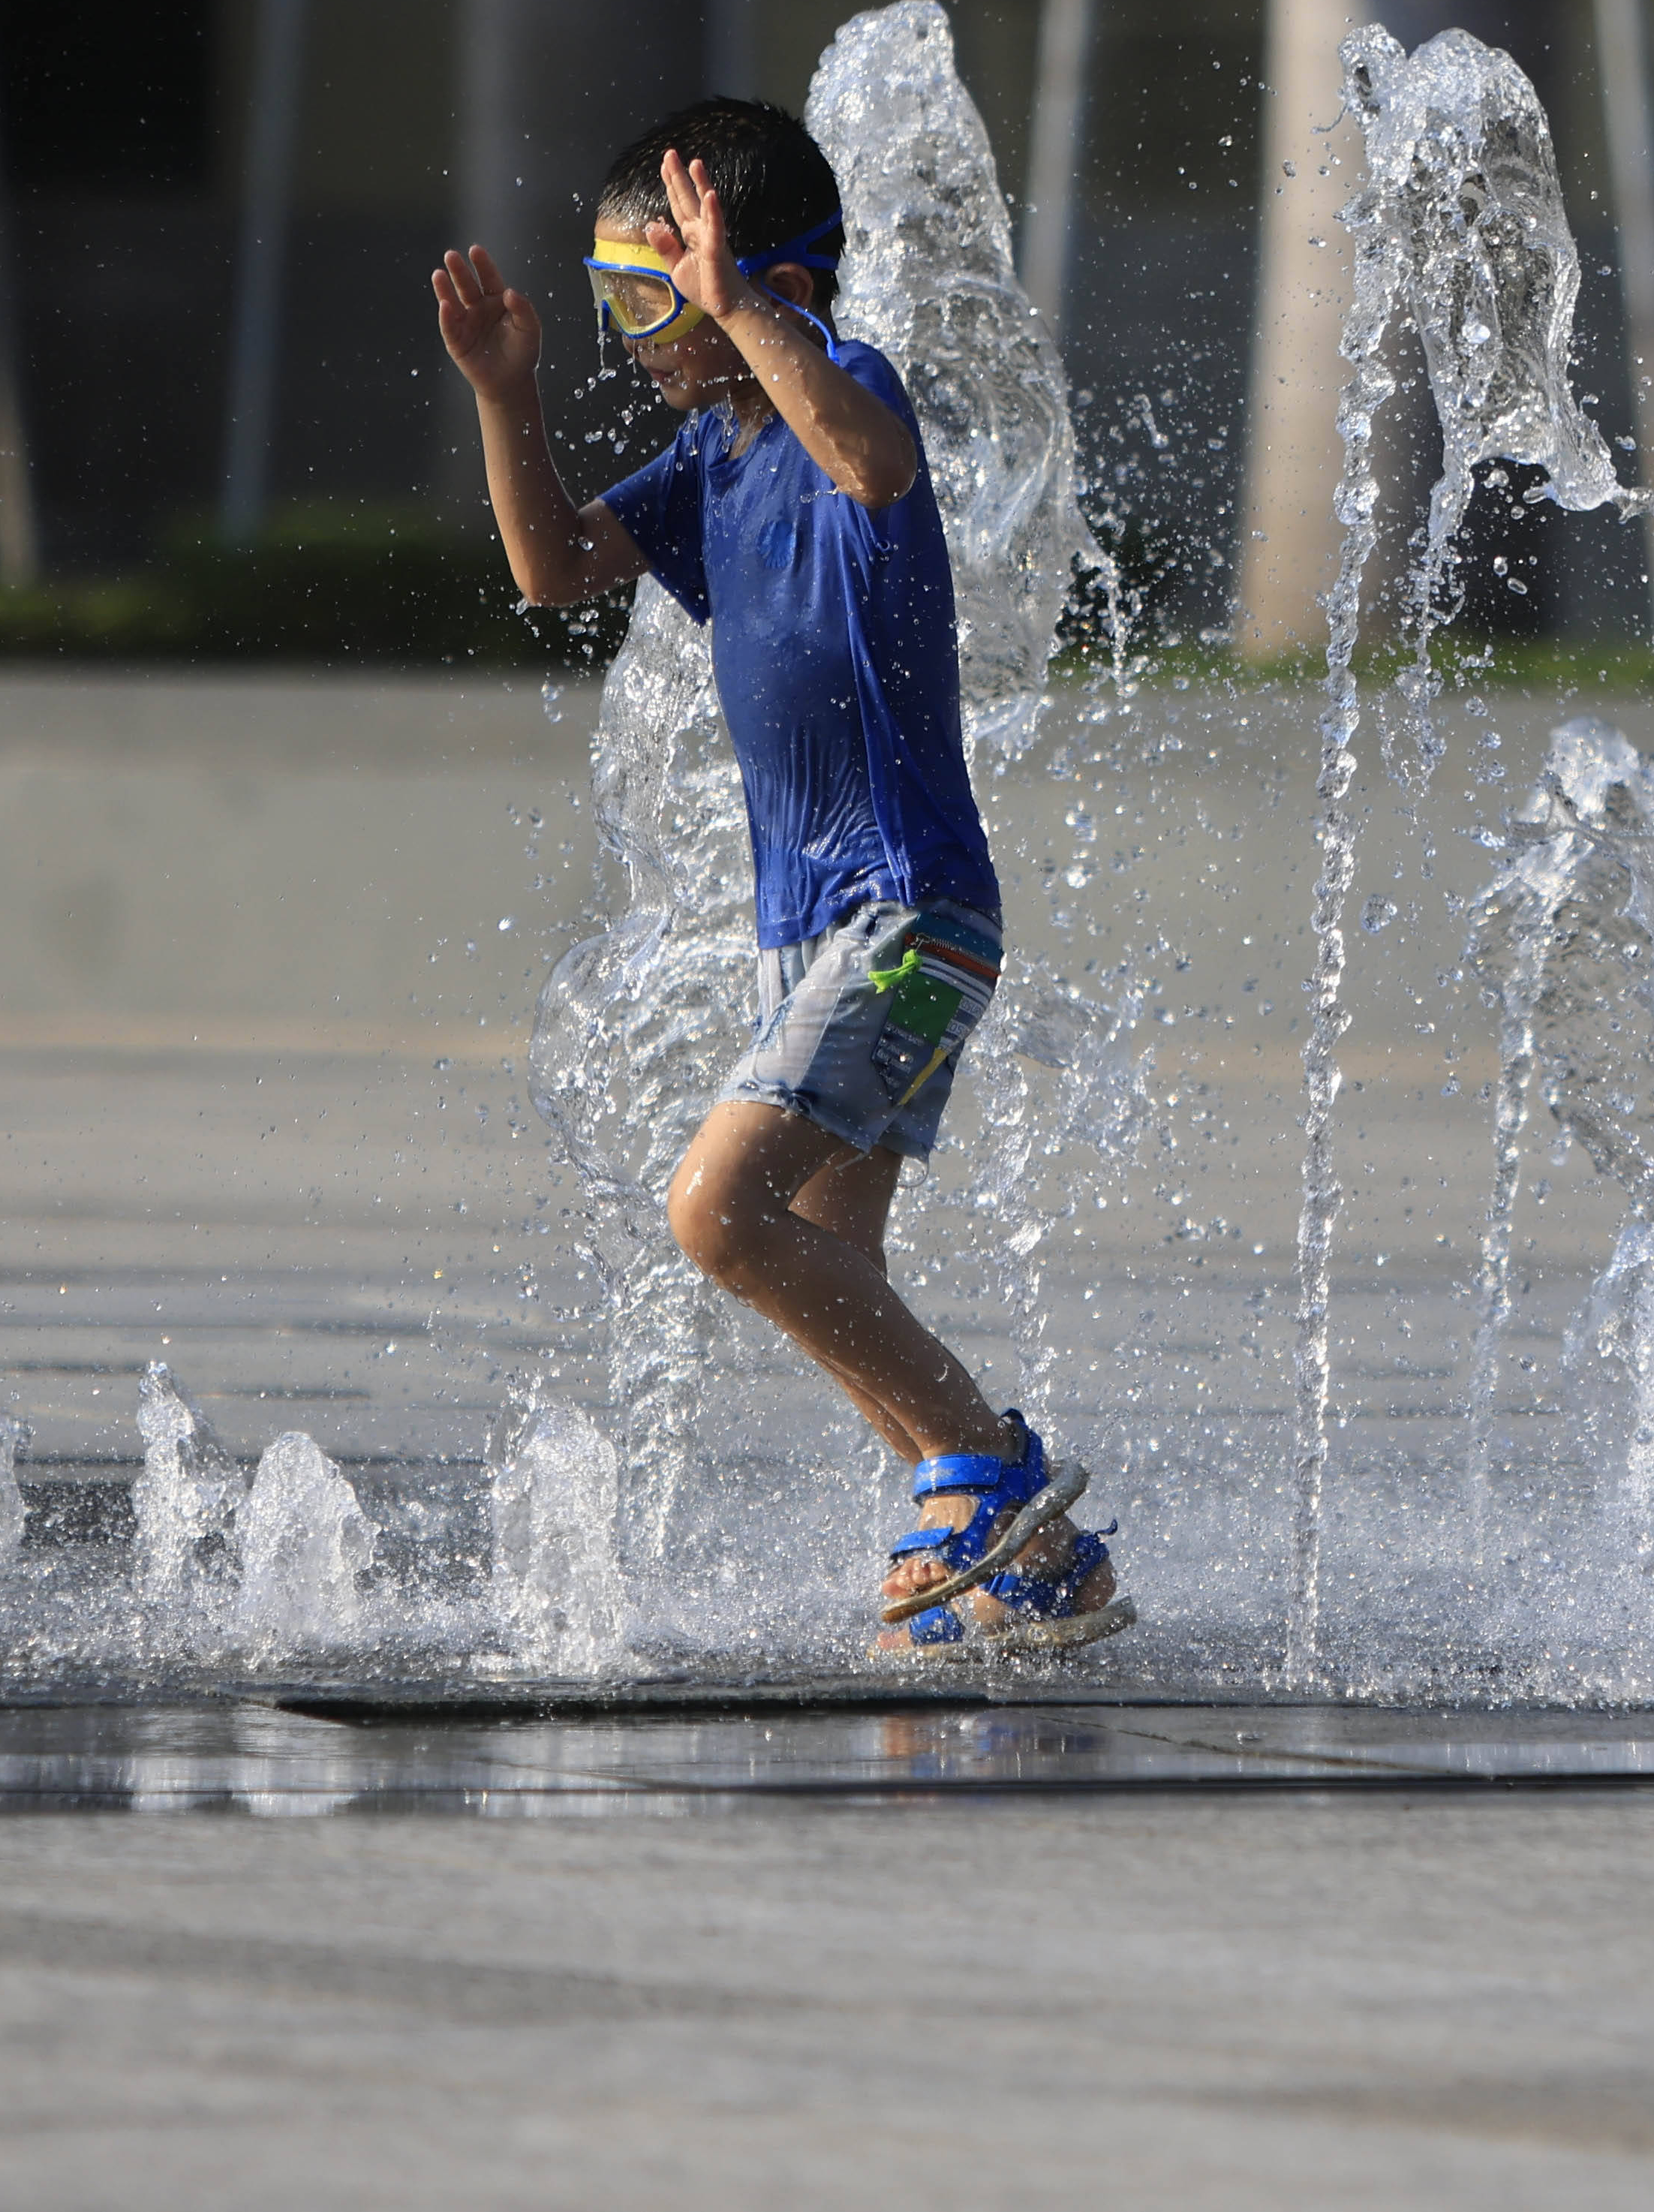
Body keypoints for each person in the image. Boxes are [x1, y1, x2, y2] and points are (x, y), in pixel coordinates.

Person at [429, 98, 1131, 1658]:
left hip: (907, 914)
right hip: (808, 933)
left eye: (646, 295)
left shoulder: (840, 392)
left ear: (761, 281)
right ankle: (1029, 1556)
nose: (633, 336)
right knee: (832, 1265)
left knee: (716, 1215)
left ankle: (983, 1473)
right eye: (616, 299)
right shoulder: (712, 454)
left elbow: (874, 470)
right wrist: (507, 387)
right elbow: (550, 567)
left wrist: (746, 312)